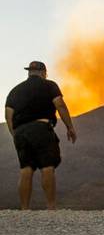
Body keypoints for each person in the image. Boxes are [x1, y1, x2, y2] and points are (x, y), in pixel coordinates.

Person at [4, 61, 78, 209]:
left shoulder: (15, 90)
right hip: (41, 128)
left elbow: (8, 115)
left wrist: (15, 134)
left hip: (20, 131)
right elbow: (60, 104)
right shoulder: (49, 85)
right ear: (43, 72)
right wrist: (70, 127)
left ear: (29, 72)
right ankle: (50, 207)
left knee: (26, 168)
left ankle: (24, 209)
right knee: (47, 166)